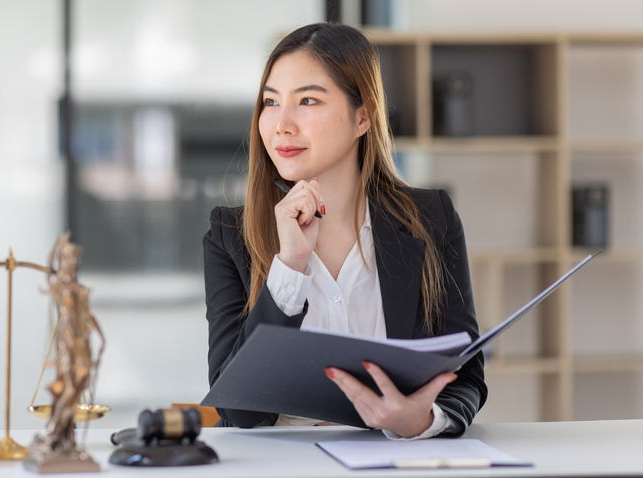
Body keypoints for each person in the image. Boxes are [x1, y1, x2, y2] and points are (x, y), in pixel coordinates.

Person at [203, 23, 486, 439]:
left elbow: (465, 377)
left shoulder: (430, 219)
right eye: (270, 101)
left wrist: (423, 422)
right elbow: (238, 411)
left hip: (394, 458)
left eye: (308, 100)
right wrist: (290, 267)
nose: (281, 124)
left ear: (363, 116)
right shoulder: (229, 235)